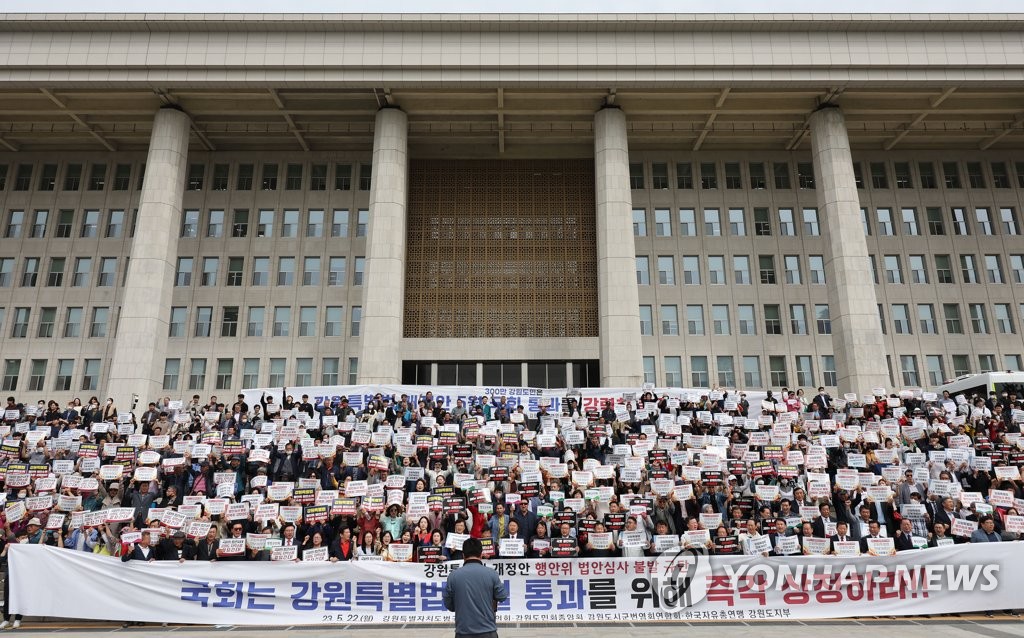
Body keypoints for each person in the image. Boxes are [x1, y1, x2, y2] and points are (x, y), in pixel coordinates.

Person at [443, 537, 508, 638]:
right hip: (488, 631)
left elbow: (449, 605)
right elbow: (502, 596)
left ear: (463, 555)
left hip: (463, 632)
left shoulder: (453, 576)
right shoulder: (492, 574)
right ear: (481, 554)